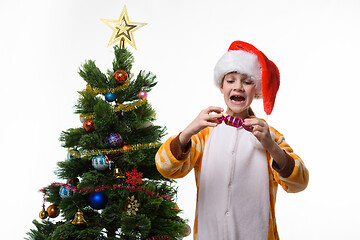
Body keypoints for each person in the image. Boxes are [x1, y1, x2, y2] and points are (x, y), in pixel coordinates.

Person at [155, 40, 309, 240]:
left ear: (257, 90)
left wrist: (271, 145)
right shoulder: (204, 133)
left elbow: (299, 183)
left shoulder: (271, 136)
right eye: (231, 81)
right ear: (221, 87)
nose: (239, 87)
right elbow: (165, 168)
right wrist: (190, 129)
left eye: (247, 82)